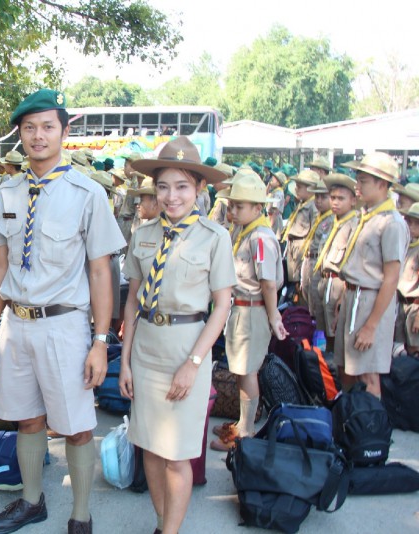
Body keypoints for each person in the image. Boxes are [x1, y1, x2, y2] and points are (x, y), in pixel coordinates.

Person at [0, 89, 124, 534]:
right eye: (29, 128)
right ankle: (31, 501)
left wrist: (100, 341)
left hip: (64, 325)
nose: (38, 136)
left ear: (63, 131)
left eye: (47, 126)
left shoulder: (87, 194)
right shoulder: (6, 193)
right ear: (19, 134)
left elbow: (100, 272)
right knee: (27, 419)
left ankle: (81, 514)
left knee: (77, 426)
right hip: (16, 326)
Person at [118, 136, 235, 534]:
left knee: (177, 456)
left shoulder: (214, 237)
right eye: (164, 186)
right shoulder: (143, 234)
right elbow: (132, 302)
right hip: (146, 351)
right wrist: (125, 361)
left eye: (182, 186)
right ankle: (160, 522)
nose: (172, 196)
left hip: (187, 350)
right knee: (151, 449)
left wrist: (194, 363)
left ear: (199, 188)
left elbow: (222, 306)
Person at [208, 170, 286, 451]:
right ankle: (242, 422)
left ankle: (246, 432)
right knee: (241, 370)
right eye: (231, 205)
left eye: (239, 206)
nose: (233, 211)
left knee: (248, 370)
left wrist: (274, 316)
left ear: (257, 208)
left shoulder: (260, 237)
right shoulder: (246, 231)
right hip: (240, 309)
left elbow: (268, 283)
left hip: (251, 311)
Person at [336, 152, 408, 397]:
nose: (357, 186)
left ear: (382, 184)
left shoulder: (392, 223)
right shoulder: (366, 217)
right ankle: (350, 417)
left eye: (363, 181)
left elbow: (391, 278)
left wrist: (371, 326)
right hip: (353, 297)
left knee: (367, 374)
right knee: (346, 368)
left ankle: (369, 420)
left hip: (371, 302)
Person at [315, 173, 359, 355]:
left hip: (339, 285)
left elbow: (351, 263)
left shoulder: (354, 225)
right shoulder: (332, 223)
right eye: (333, 197)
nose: (335, 202)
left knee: (336, 331)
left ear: (353, 201)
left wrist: (342, 295)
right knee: (325, 329)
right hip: (325, 282)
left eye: (341, 198)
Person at [299, 179, 334, 333]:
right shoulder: (319, 217)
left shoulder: (331, 220)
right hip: (309, 261)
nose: (318, 201)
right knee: (309, 301)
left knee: (317, 305)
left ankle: (319, 338)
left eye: (323, 197)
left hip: (317, 263)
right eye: (317, 197)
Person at [281, 170, 319, 298]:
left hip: (302, 255)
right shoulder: (302, 204)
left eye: (299, 186)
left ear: (310, 188)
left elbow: (314, 235)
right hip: (293, 252)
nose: (296, 189)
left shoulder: (314, 207)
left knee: (301, 293)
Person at [398, 202, 419, 356]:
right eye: (409, 222)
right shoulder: (406, 245)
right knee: (404, 347)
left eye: (416, 224)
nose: (411, 227)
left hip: (415, 305)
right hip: (401, 303)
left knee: (414, 348)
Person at [266, 171, 286, 238]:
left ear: (278, 183)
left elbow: (275, 210)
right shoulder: (274, 191)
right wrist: (268, 185)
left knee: (273, 237)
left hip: (274, 218)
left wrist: (271, 224)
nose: (271, 181)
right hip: (271, 217)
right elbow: (265, 195)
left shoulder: (278, 193)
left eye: (273, 180)